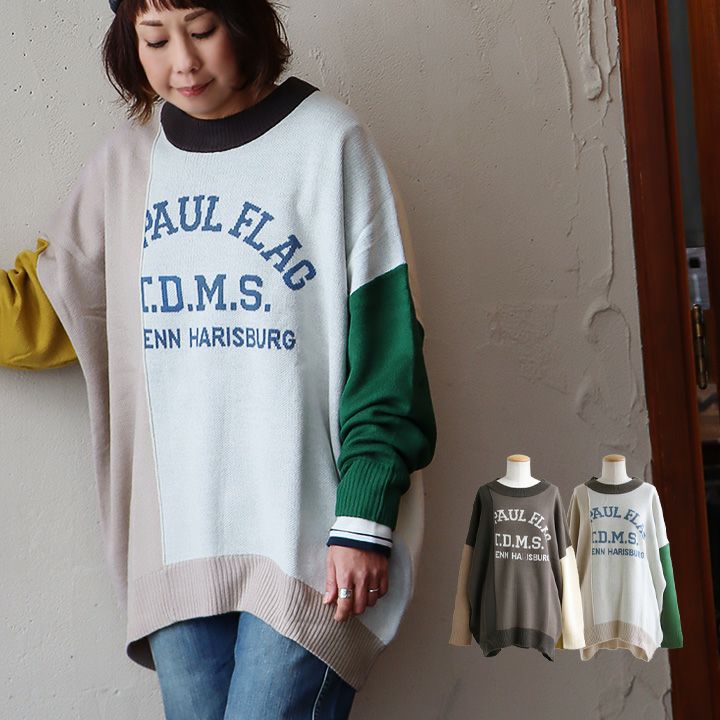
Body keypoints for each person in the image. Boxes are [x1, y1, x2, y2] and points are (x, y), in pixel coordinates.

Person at [0, 1, 437, 718]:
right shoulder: (128, 162)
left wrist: (364, 518)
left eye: (201, 31)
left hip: (310, 548)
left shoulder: (328, 144)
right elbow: (48, 311)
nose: (183, 63)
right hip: (178, 552)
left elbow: (387, 353)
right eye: (154, 39)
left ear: (244, 20)